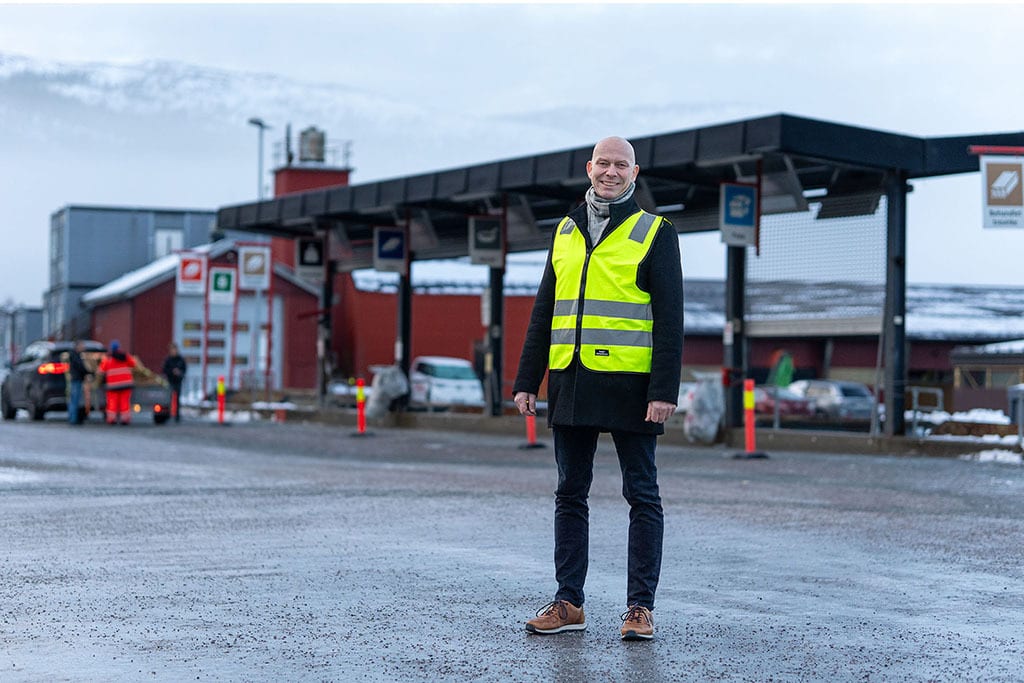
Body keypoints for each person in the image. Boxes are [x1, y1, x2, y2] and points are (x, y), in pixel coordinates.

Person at [513, 136, 683, 641]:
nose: (611, 172)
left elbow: (671, 319)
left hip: (633, 386)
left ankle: (639, 608)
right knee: (570, 493)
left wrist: (664, 390)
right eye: (603, 163)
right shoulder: (564, 230)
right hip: (572, 381)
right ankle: (569, 602)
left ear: (636, 172)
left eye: (621, 165)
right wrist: (528, 378)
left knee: (642, 494)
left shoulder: (655, 231)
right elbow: (546, 308)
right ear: (589, 168)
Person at [98, 340, 137, 425]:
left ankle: (112, 419)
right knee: (125, 403)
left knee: (112, 403)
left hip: (113, 385)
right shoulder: (125, 356)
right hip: (126, 383)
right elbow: (134, 364)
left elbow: (100, 371)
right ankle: (125, 420)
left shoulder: (108, 359)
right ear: (119, 347)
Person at [65, 340, 91, 425]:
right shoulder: (75, 356)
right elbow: (80, 366)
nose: (83, 347)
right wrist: (88, 372)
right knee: (75, 400)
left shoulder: (74, 355)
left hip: (76, 379)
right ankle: (73, 419)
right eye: (82, 346)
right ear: (77, 347)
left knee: (73, 399)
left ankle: (73, 417)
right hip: (76, 379)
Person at [162, 342, 187, 422]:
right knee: (168, 399)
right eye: (172, 350)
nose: (173, 351)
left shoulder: (180, 359)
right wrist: (172, 372)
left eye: (174, 350)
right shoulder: (168, 360)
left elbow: (184, 369)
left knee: (177, 399)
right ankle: (168, 414)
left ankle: (177, 416)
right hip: (170, 381)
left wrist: (180, 373)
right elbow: (164, 370)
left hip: (178, 381)